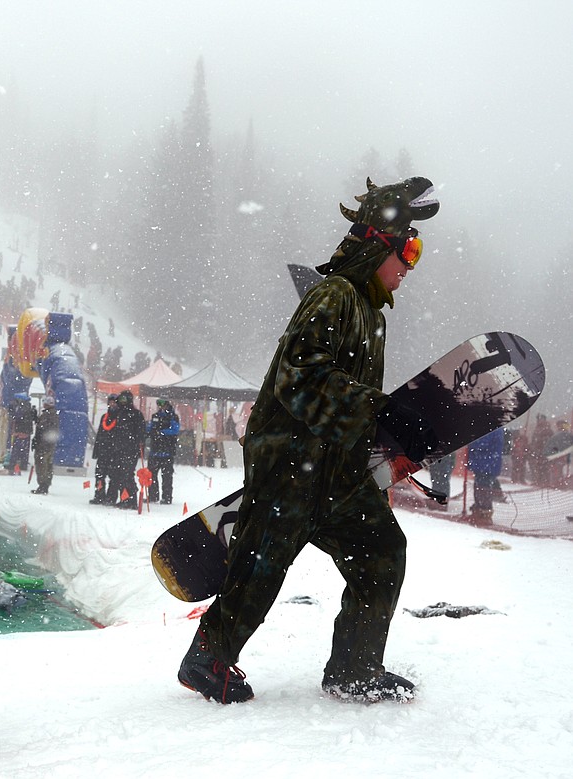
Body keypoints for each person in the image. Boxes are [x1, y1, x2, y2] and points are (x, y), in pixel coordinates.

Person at [177, 176, 440, 705]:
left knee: (381, 553)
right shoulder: (335, 295)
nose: (410, 264)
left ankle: (355, 668)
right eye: (407, 248)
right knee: (260, 568)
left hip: (337, 472)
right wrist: (378, 409)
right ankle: (207, 658)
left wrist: (384, 446)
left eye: (417, 250)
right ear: (377, 244)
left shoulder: (370, 314)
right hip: (290, 463)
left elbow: (348, 401)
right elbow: (299, 379)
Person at [109, 390, 146, 509]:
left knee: (127, 474)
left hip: (131, 449)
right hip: (119, 448)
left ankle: (132, 500)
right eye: (121, 400)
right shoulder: (119, 412)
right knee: (119, 474)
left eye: (124, 400)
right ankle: (124, 498)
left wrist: (139, 442)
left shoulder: (136, 414)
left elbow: (141, 431)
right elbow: (111, 417)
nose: (122, 402)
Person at [466, 428, 504, 526]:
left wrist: (471, 442)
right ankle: (479, 512)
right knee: (479, 488)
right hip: (483, 463)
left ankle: (484, 514)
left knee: (483, 489)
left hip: (486, 464)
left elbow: (482, 443)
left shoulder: (492, 428)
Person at [146, 398, 181, 504]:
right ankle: (152, 496)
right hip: (154, 450)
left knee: (166, 476)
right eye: (159, 404)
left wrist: (161, 432)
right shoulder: (155, 416)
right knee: (151, 475)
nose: (160, 407)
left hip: (167, 451)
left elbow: (175, 430)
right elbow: (150, 427)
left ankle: (167, 497)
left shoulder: (173, 417)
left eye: (162, 404)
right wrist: (146, 430)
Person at [90, 394, 118, 504]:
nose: (112, 404)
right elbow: (100, 435)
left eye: (114, 402)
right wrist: (96, 450)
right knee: (99, 474)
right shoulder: (104, 417)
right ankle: (99, 495)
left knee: (113, 476)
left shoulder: (120, 417)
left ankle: (111, 497)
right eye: (110, 402)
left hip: (114, 452)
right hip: (103, 451)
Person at [31, 395, 60, 494]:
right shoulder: (53, 414)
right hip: (48, 444)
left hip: (44, 445)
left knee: (42, 464)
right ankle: (45, 485)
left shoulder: (49, 415)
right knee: (47, 465)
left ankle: (43, 485)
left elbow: (43, 428)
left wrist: (37, 440)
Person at [7, 393, 36, 474]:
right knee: (24, 449)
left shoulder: (22, 408)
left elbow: (17, 417)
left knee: (16, 448)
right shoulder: (28, 407)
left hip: (21, 432)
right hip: (25, 432)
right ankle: (23, 464)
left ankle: (13, 464)